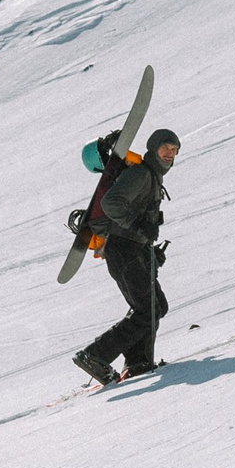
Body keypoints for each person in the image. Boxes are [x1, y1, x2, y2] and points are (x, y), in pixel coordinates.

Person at [73, 128, 179, 385]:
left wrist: (149, 248)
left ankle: (137, 362)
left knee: (156, 307)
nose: (169, 153)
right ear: (153, 148)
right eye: (165, 147)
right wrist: (139, 227)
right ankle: (94, 355)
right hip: (122, 249)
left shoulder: (152, 176)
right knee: (147, 309)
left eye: (174, 150)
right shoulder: (142, 174)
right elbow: (112, 204)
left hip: (134, 249)